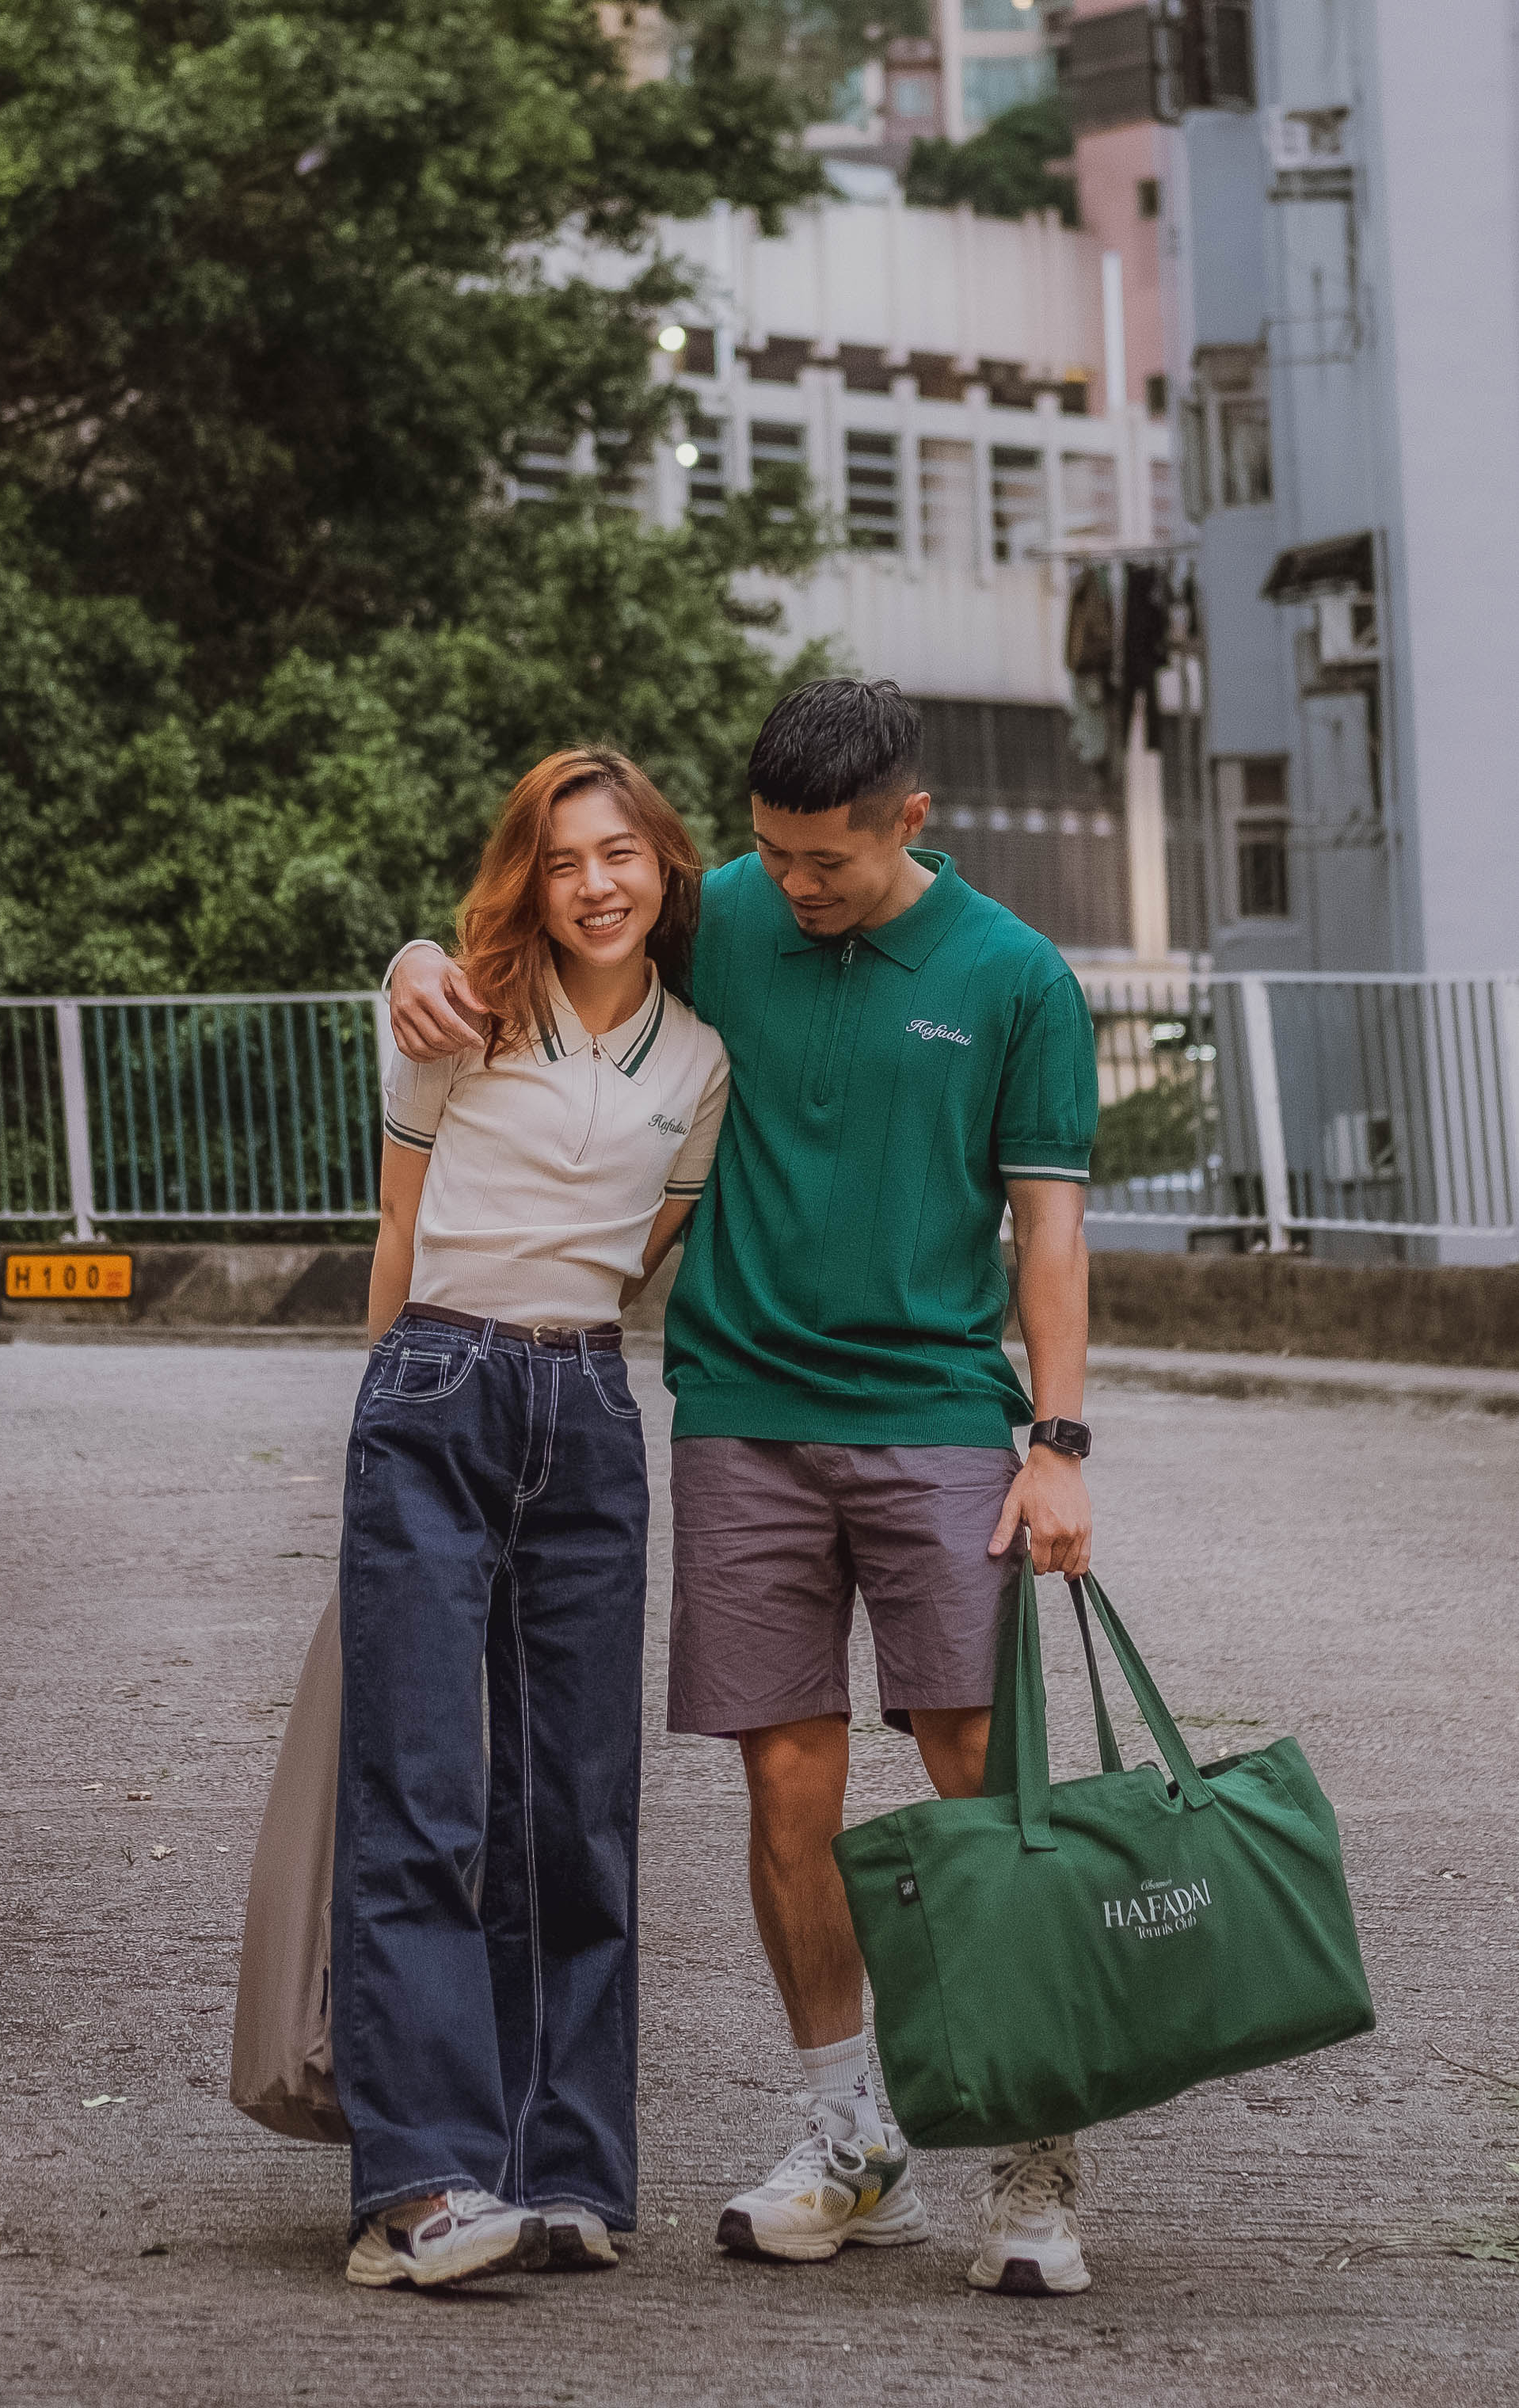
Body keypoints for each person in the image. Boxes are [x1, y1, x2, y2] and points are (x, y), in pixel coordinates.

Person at [386, 679, 1102, 2298]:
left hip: (932, 1411)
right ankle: (852, 2137)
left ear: (911, 821)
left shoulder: (1019, 980)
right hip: (744, 1414)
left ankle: (1036, 2145)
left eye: (824, 863)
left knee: (976, 1774)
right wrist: (419, 961)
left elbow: (1050, 1225)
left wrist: (1057, 1442)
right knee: (788, 1783)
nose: (790, 887)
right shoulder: (718, 911)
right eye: (771, 853)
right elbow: (545, 929)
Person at [338, 747, 728, 2292]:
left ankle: (565, 2167)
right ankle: (420, 2181)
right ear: (531, 876)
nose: (599, 881)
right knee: (427, 1795)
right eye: (566, 857)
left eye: (622, 851)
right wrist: (378, 1427)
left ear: (663, 867)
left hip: (587, 1406)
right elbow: (397, 1216)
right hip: (435, 1384)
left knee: (580, 1805)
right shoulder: (457, 1010)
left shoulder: (699, 1061)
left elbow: (644, 1257)